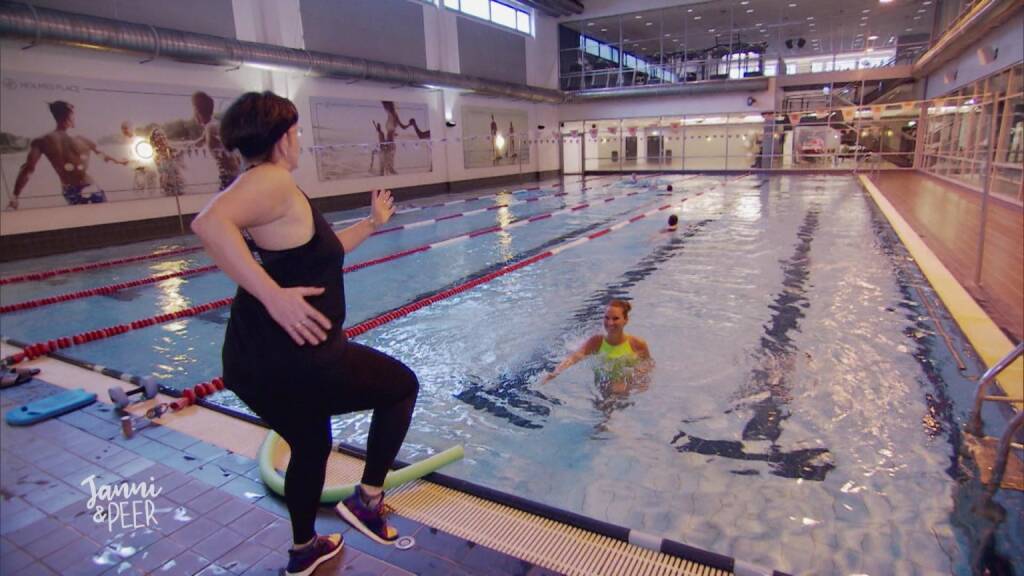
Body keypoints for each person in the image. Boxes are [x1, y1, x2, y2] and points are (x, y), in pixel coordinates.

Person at [191, 92, 419, 576]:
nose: (299, 140)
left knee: (312, 444)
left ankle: (304, 550)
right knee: (401, 387)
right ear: (282, 138)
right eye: (295, 132)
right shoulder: (271, 180)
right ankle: (366, 501)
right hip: (301, 357)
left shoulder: (268, 188)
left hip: (252, 360)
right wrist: (273, 295)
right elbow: (208, 224)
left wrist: (372, 224)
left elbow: (325, 250)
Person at [8, 101, 128, 210]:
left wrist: (15, 196)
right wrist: (119, 161)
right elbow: (102, 155)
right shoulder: (82, 140)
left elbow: (28, 169)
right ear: (69, 115)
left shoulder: (42, 140)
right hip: (89, 187)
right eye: (73, 114)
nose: (74, 117)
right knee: (102, 218)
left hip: (70, 191)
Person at [543, 300, 653, 395]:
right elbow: (573, 358)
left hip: (626, 389)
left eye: (615, 318)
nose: (610, 323)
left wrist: (640, 378)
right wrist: (555, 373)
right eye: (607, 318)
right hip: (602, 389)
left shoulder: (638, 344)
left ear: (625, 320)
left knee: (619, 388)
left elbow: (648, 365)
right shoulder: (596, 342)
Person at [190, 91, 240, 191]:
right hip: (228, 176)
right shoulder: (209, 128)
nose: (193, 114)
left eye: (193, 110)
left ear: (196, 110)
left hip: (231, 177)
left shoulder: (213, 127)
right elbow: (197, 143)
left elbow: (234, 145)